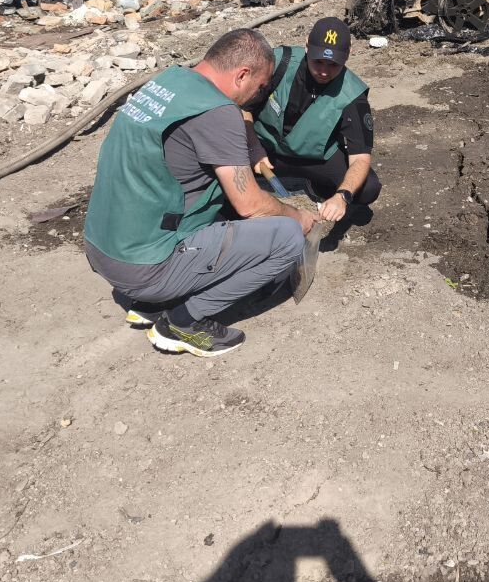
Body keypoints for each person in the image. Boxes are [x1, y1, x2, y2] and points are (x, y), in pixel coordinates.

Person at [83, 29, 319, 358]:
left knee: (214, 199)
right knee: (287, 236)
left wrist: (247, 140)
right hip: (141, 267)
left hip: (103, 246)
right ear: (242, 75)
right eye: (261, 86)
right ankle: (182, 320)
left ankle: (151, 303)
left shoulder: (170, 81)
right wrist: (297, 215)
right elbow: (250, 204)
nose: (258, 95)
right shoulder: (217, 113)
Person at [251, 17, 380, 224]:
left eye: (333, 65)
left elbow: (360, 159)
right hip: (264, 151)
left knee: (368, 188)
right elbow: (241, 108)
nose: (324, 71)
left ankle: (319, 186)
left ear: (348, 56)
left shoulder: (353, 96)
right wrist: (253, 148)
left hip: (314, 159)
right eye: (318, 61)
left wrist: (342, 196)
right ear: (306, 46)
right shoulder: (278, 62)